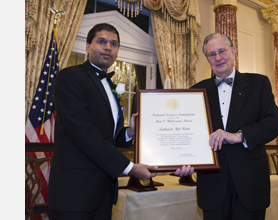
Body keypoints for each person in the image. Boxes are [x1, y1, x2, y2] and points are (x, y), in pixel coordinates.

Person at [48, 23, 191, 220]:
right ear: (87, 46)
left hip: (104, 192)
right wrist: (130, 168)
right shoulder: (70, 77)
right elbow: (82, 132)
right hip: (75, 193)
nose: (108, 47)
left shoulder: (111, 87)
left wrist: (129, 133)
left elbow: (108, 137)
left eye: (114, 44)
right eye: (102, 41)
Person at [190, 33, 278, 220]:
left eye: (222, 51)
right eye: (211, 54)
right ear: (207, 59)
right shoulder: (196, 91)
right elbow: (191, 134)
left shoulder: (259, 83)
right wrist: (185, 160)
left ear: (233, 51)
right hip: (212, 185)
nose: (218, 58)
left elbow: (274, 123)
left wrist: (239, 136)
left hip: (250, 183)